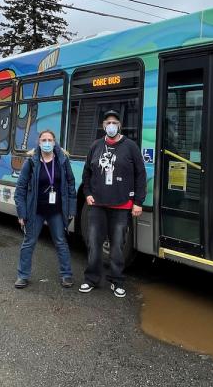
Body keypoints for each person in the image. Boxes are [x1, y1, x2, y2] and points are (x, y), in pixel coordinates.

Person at [79, 110, 146, 298]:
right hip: (97, 205)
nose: (111, 125)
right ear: (103, 126)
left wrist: (138, 202)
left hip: (122, 205)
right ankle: (91, 279)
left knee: (117, 246)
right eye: (108, 122)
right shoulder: (95, 146)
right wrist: (87, 194)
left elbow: (140, 174)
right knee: (94, 243)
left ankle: (116, 281)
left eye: (114, 122)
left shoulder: (130, 146)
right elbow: (87, 173)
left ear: (119, 126)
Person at [14, 129, 76, 289]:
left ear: (54, 142)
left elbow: (70, 184)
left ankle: (66, 274)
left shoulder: (62, 161)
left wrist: (71, 209)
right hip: (36, 210)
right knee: (29, 242)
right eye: (44, 140)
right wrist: (21, 213)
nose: (47, 143)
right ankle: (22, 276)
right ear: (39, 143)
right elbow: (20, 188)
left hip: (56, 210)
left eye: (50, 140)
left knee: (61, 242)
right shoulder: (31, 162)